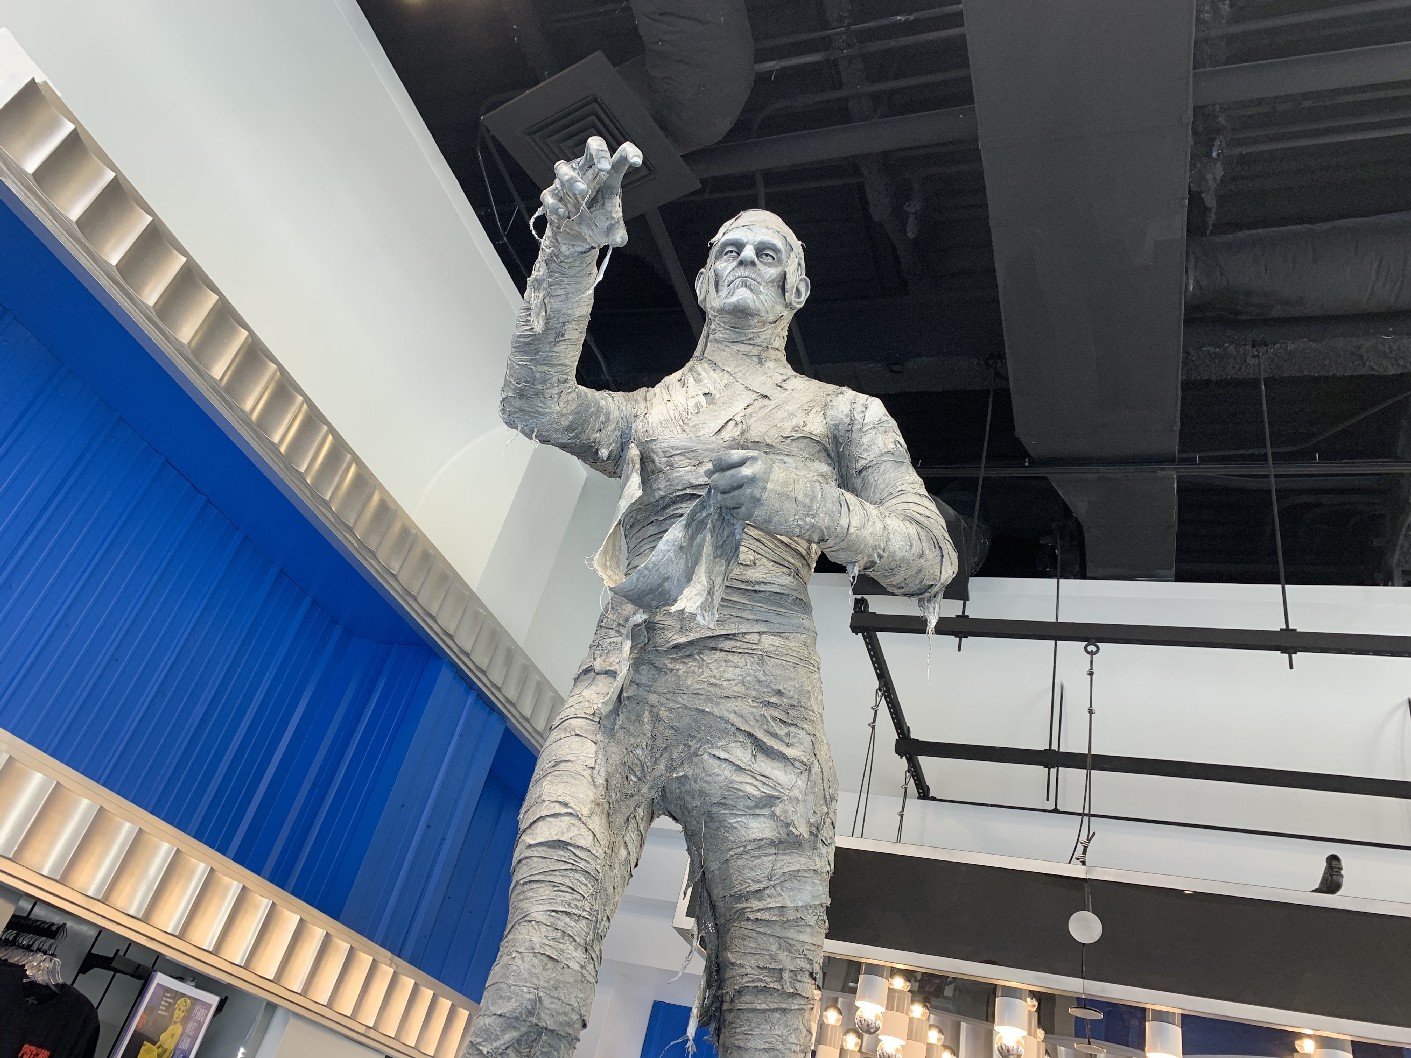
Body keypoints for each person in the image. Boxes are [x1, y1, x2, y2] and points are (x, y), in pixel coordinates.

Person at [464, 135, 956, 1058]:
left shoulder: (843, 413)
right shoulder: (649, 410)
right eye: (730, 249)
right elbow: (534, 404)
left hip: (762, 722)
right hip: (621, 694)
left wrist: (806, 503)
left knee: (766, 1016)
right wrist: (567, 252)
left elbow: (928, 556)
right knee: (533, 973)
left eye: (768, 254)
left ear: (795, 288)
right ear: (701, 282)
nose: (746, 262)